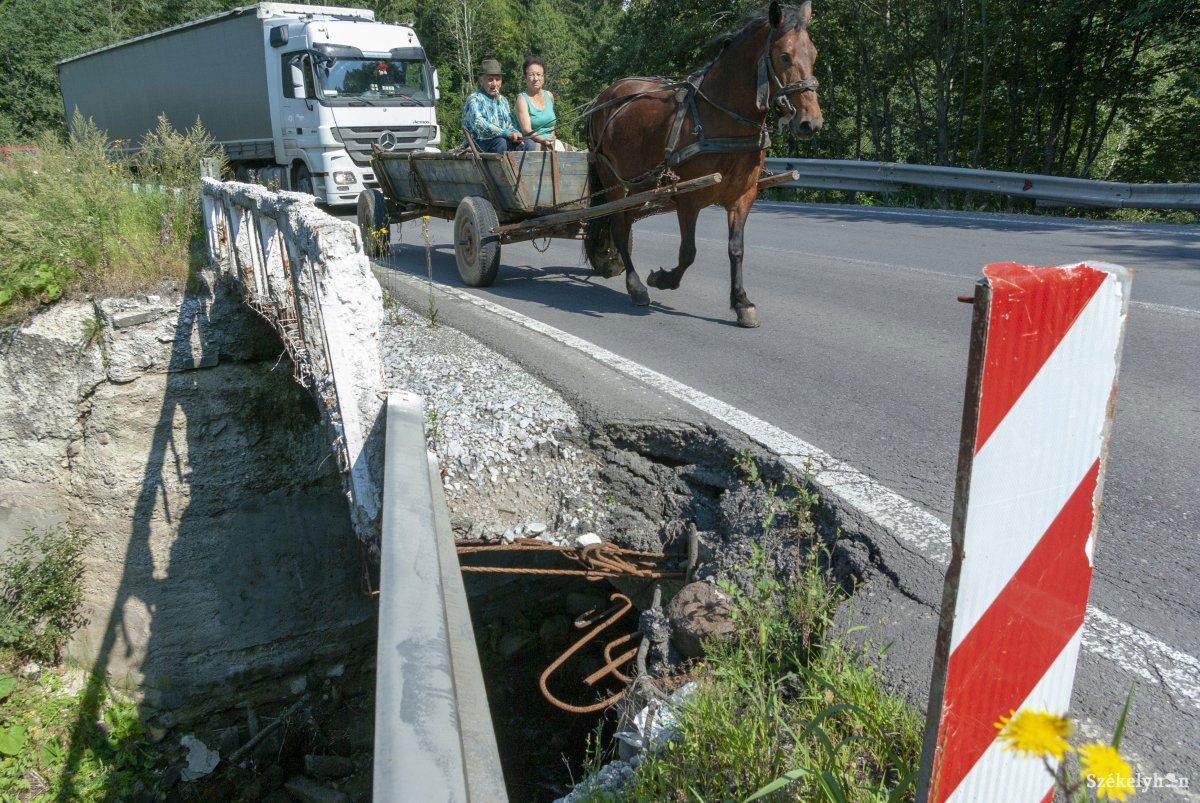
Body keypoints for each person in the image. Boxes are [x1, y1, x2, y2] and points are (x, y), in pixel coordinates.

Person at [461, 58, 534, 153]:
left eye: (497, 79)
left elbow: (509, 124)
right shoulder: (474, 99)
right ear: (481, 80)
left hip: (501, 141)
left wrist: (515, 133)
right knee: (501, 143)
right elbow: (480, 125)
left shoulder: (503, 100)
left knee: (529, 143)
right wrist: (506, 133)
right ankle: (496, 168)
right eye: (490, 79)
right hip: (477, 142)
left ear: (501, 81)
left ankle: (519, 167)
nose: (494, 83)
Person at [515, 57, 558, 151]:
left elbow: (552, 124)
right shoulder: (522, 99)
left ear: (543, 77)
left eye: (539, 74)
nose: (536, 78)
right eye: (531, 75)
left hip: (550, 142)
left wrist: (552, 141)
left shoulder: (549, 96)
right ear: (525, 77)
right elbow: (527, 130)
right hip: (532, 144)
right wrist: (543, 140)